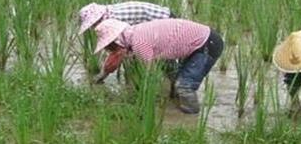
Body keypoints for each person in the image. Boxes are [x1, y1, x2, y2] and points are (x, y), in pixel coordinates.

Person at [93, 18, 224, 114]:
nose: (111, 50)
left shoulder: (139, 43)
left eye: (111, 46)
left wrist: (142, 103)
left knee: (184, 85)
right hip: (202, 41)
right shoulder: (134, 32)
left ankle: (191, 118)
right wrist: (103, 74)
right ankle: (178, 104)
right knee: (176, 78)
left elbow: (149, 75)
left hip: (207, 45)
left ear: (117, 40)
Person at [78, 1, 176, 84]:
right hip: (162, 18)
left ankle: (176, 83)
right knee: (138, 54)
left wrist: (102, 75)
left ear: (98, 19)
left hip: (165, 22)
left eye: (92, 24)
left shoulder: (113, 22)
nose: (93, 27)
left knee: (164, 59)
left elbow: (118, 51)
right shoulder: (110, 12)